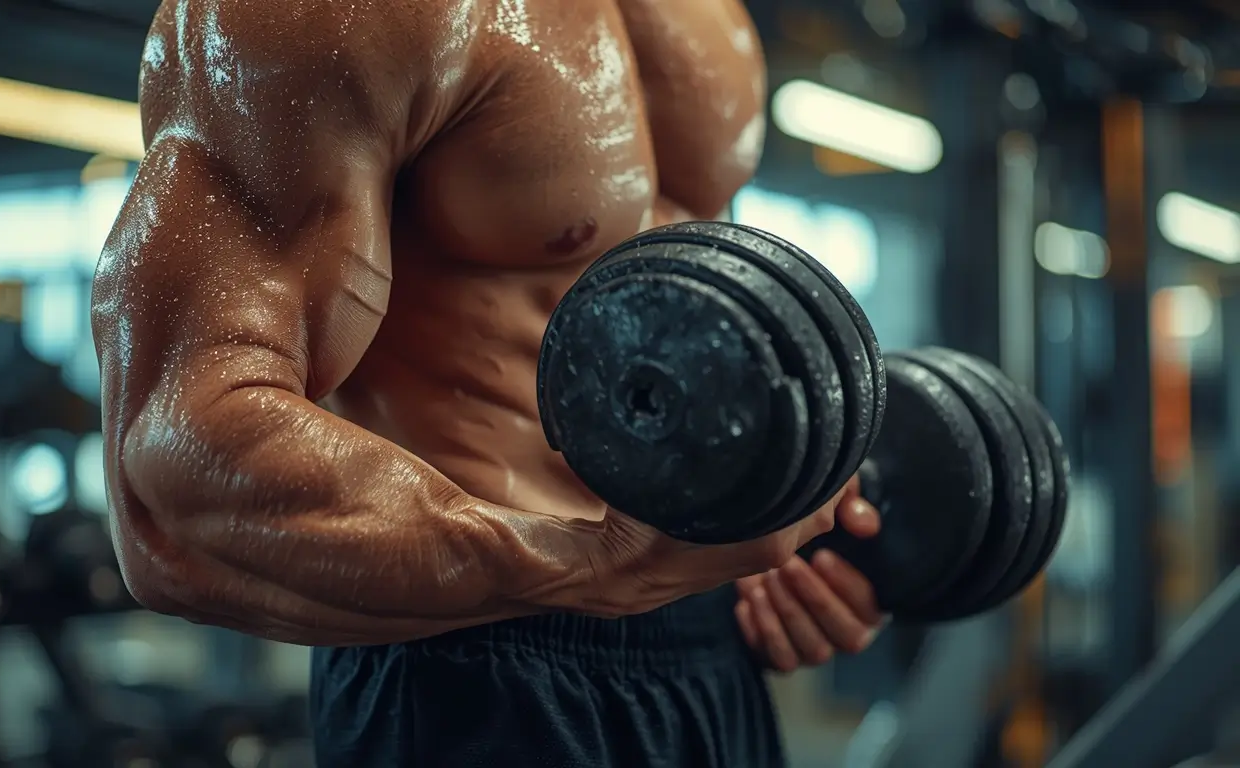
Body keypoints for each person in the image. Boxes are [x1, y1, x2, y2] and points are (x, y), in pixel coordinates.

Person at [92, 0, 888, 765]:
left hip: (708, 654)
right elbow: (172, 464)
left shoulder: (713, 19)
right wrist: (593, 569)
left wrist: (772, 546)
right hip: (473, 666)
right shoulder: (317, 13)